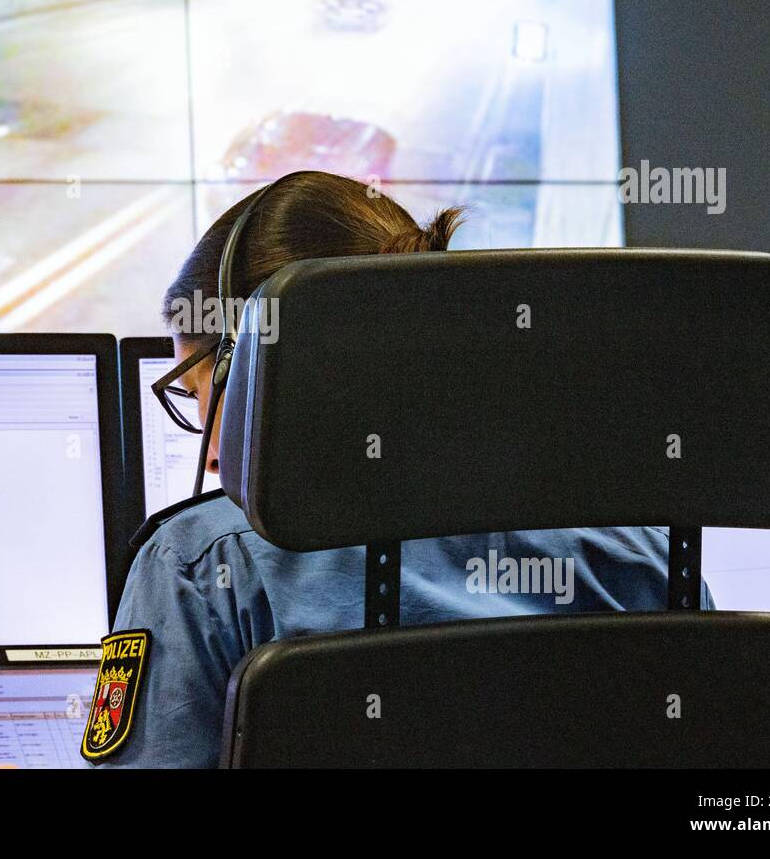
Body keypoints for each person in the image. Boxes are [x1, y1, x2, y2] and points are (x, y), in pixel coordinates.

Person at [91, 170, 712, 768]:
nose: (210, 446)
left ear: (259, 365)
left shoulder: (203, 565)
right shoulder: (646, 555)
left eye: (203, 390)